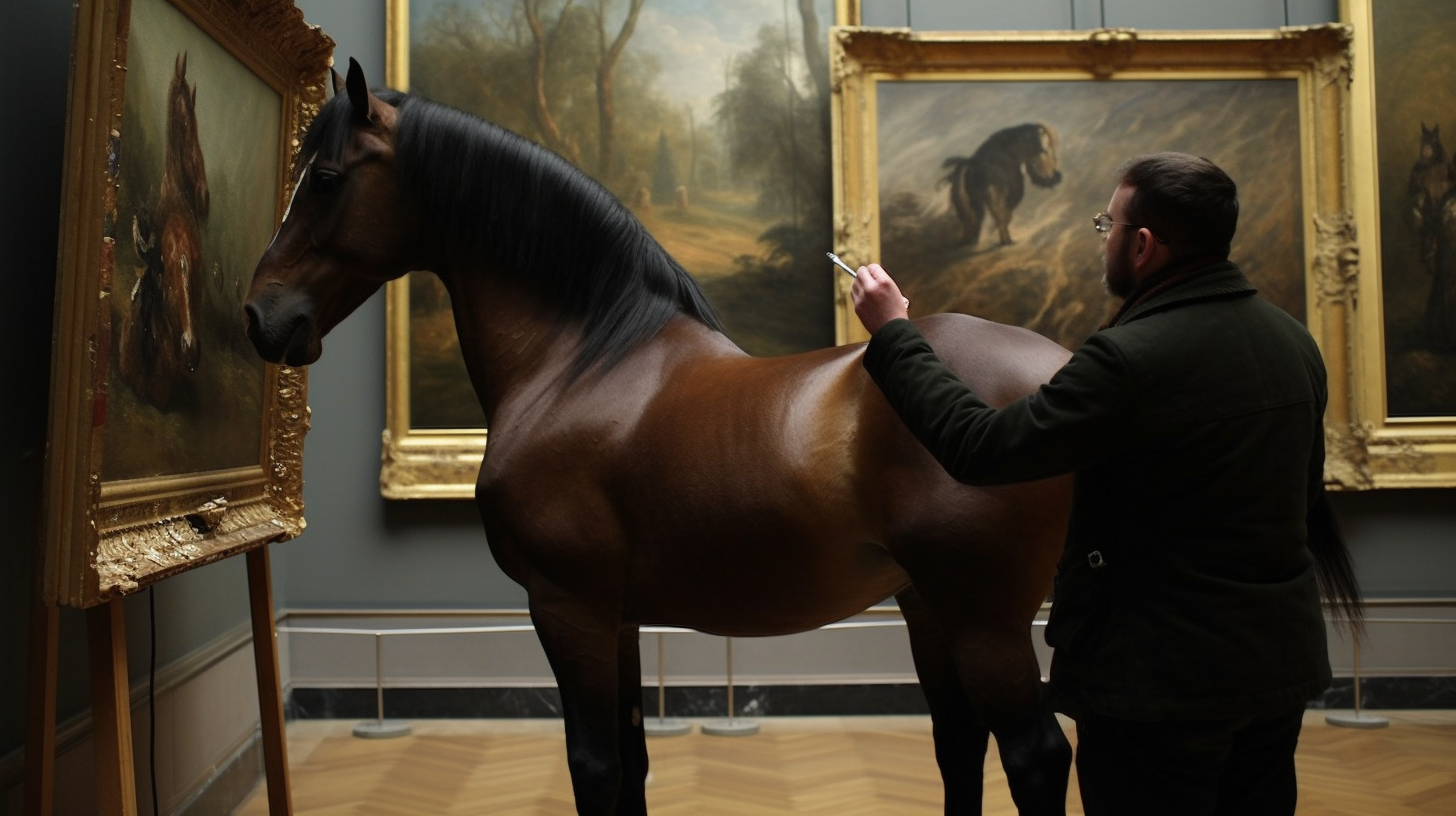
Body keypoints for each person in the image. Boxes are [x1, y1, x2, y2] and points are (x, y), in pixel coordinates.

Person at [851, 152, 1360, 816]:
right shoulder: (1295, 342)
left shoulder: (1127, 360)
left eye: (1107, 224)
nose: (1106, 239)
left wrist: (895, 334)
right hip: (1274, 674)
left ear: (1142, 244)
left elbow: (978, 449)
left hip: (1154, 686)